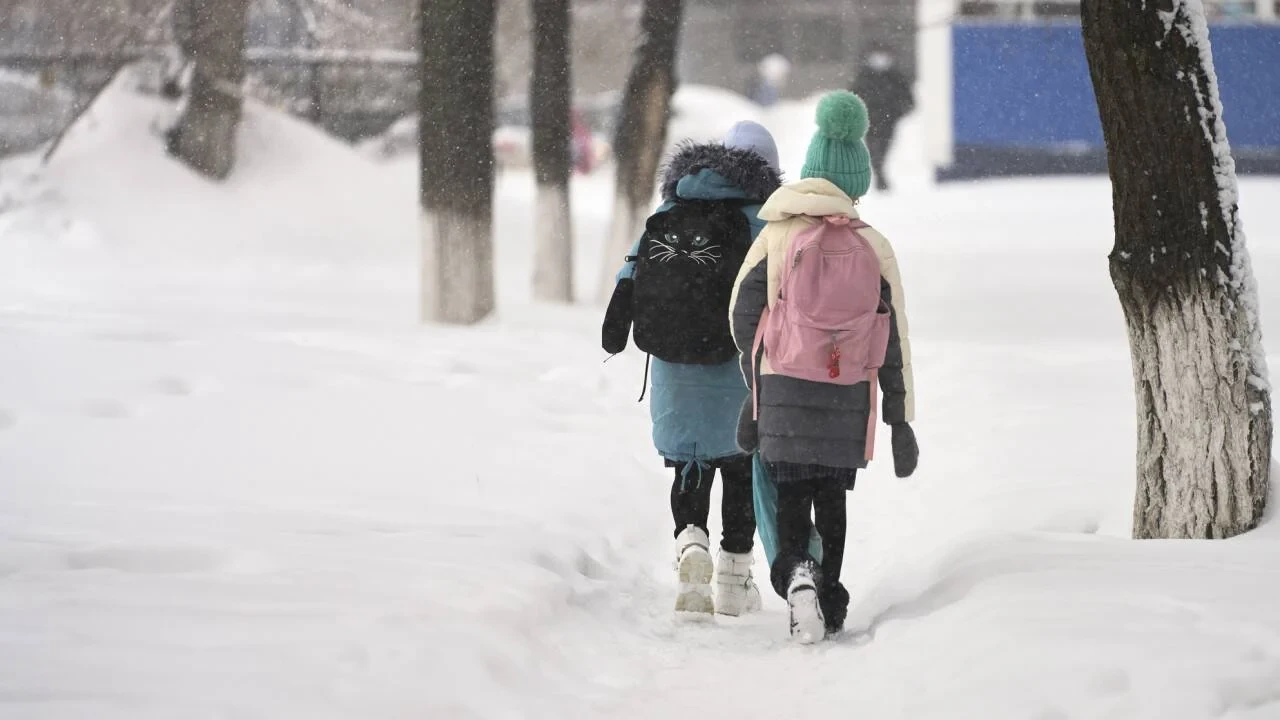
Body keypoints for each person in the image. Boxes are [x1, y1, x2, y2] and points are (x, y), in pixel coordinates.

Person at [729, 91, 919, 642]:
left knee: (791, 496)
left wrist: (759, 377)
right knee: (831, 497)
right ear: (857, 183)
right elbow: (894, 339)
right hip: (847, 394)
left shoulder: (776, 234)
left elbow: (741, 312)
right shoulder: (872, 245)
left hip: (784, 388)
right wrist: (899, 418)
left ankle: (797, 576)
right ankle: (830, 595)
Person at [602, 121, 783, 616]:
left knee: (689, 464)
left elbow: (631, 272)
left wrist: (615, 331)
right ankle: (734, 579)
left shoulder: (671, 209)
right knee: (740, 469)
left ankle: (690, 543)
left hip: (674, 367)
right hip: (738, 367)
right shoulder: (764, 223)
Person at [850, 50, 914, 191]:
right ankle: (880, 175)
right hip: (869, 119)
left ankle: (880, 173)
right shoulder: (864, 76)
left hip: (889, 119)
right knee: (873, 148)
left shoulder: (895, 76)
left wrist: (899, 111)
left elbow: (907, 98)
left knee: (884, 147)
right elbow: (853, 96)